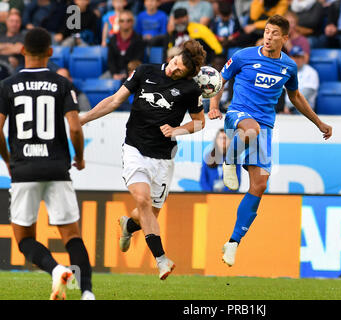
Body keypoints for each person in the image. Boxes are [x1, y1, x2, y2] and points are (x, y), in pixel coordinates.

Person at [208, 15, 332, 267]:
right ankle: (230, 162)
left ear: (285, 38)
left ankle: (233, 242)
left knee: (260, 184)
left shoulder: (288, 67)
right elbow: (219, 80)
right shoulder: (243, 55)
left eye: (275, 33)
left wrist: (319, 123)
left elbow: (295, 97)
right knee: (250, 129)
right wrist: (213, 105)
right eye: (266, 31)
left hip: (265, 126)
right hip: (238, 115)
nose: (268, 36)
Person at [79, 39, 206, 280]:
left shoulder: (191, 90)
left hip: (163, 158)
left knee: (147, 213)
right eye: (175, 63)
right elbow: (115, 100)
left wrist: (178, 130)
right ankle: (161, 260)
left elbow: (200, 122)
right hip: (135, 148)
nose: (173, 69)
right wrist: (84, 119)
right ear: (175, 55)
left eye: (179, 70)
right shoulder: (145, 71)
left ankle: (128, 225)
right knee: (143, 200)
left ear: (188, 75)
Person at [0, 28, 94, 300]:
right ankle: (87, 293)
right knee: (72, 237)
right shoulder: (62, 83)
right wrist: (79, 157)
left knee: (25, 240)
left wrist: (8, 160)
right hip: (56, 169)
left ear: (22, 51)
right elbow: (75, 128)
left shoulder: (6, 86)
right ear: (50, 52)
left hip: (23, 170)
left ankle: (55, 270)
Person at [103, 10, 145, 81]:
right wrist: (114, 74)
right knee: (99, 83)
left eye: (128, 20)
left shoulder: (138, 40)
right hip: (114, 74)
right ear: (118, 22)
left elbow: (138, 59)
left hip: (132, 73)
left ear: (132, 22)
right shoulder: (113, 39)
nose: (125, 23)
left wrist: (127, 73)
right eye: (122, 21)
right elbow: (110, 60)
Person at [284, 46, 319, 112]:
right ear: (290, 58)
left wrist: (287, 106)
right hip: (285, 108)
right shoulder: (285, 71)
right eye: (294, 57)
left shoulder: (311, 72)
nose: (296, 59)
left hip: (304, 110)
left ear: (303, 58)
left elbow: (307, 93)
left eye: (298, 57)